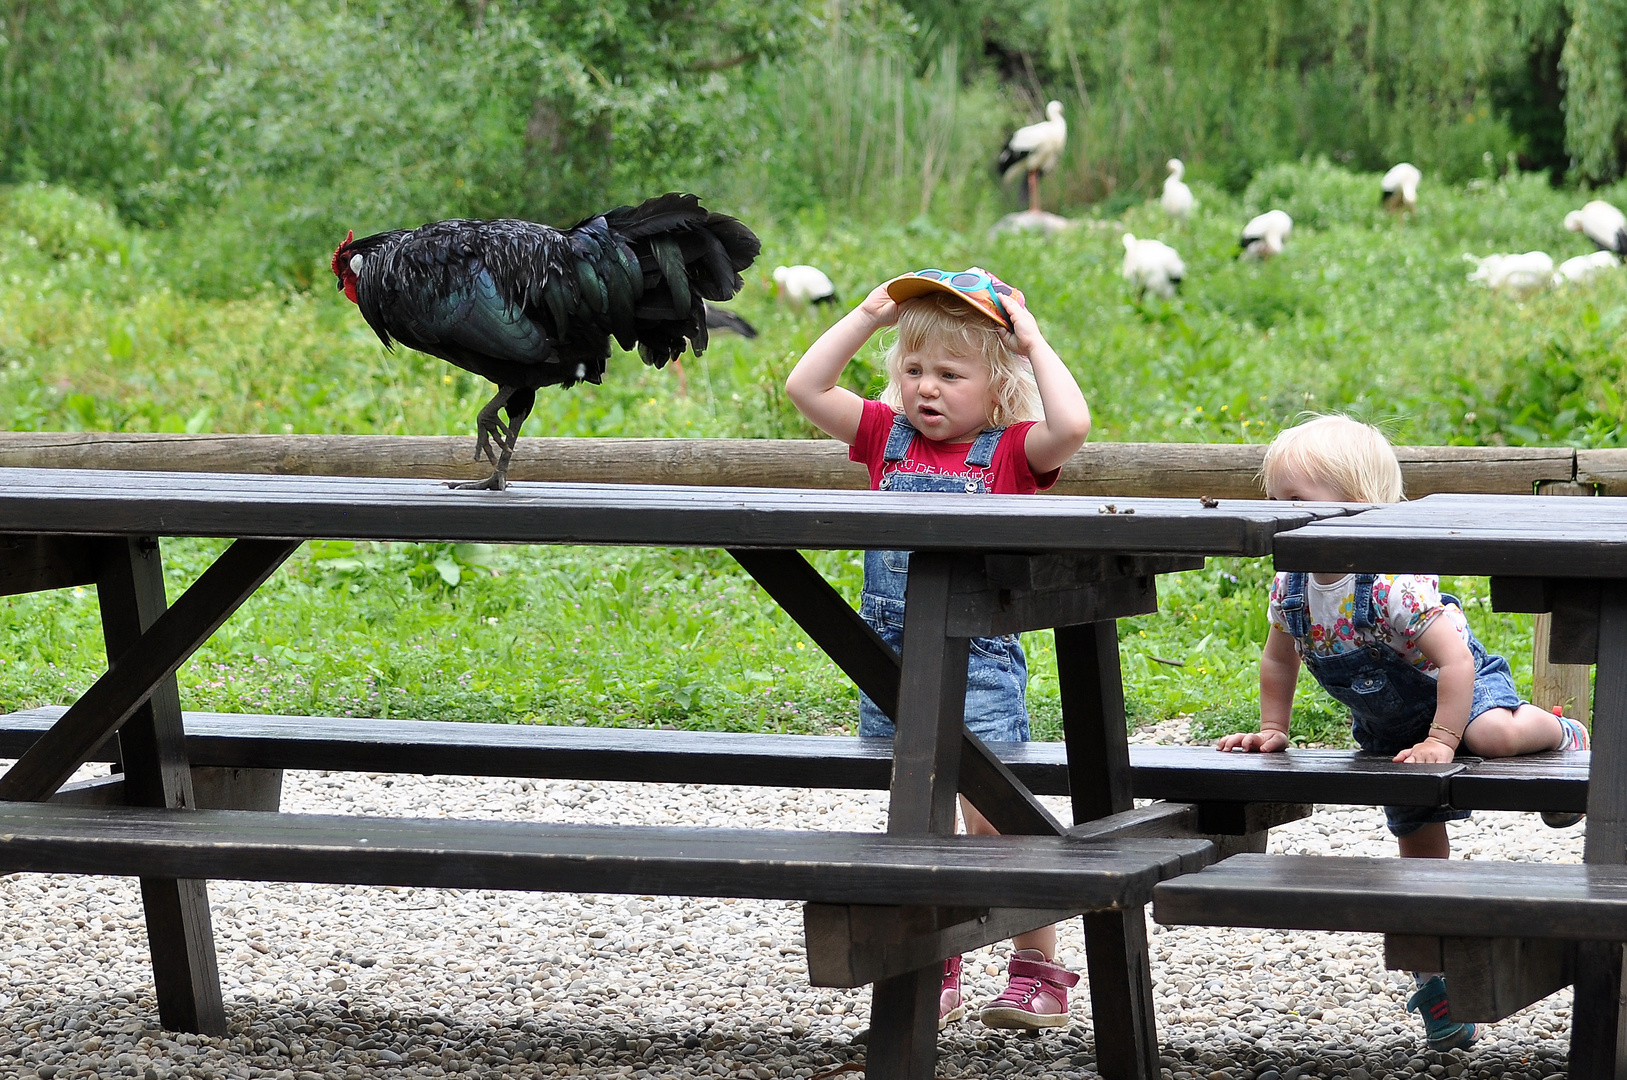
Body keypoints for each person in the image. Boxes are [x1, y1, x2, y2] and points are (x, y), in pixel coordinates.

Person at [1219, 413, 1589, 1052]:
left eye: (1297, 502)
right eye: (1273, 501)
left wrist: (1446, 737)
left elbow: (1457, 661)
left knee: (1492, 738)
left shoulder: (1391, 583)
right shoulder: (1292, 587)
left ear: (1359, 505)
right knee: (1415, 833)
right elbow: (1280, 658)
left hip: (1463, 699)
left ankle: (1560, 730)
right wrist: (1272, 727)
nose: (1281, 515)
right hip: (1392, 730)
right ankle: (1435, 968)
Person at [785, 267, 1092, 1030]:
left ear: (996, 387)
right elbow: (804, 387)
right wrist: (864, 316)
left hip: (981, 660)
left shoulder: (1014, 453)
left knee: (995, 822)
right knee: (916, 823)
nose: (926, 388)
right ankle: (938, 961)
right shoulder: (881, 438)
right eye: (913, 371)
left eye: (950, 375)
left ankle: (1038, 971)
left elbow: (1074, 427)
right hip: (889, 661)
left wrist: (1033, 342)